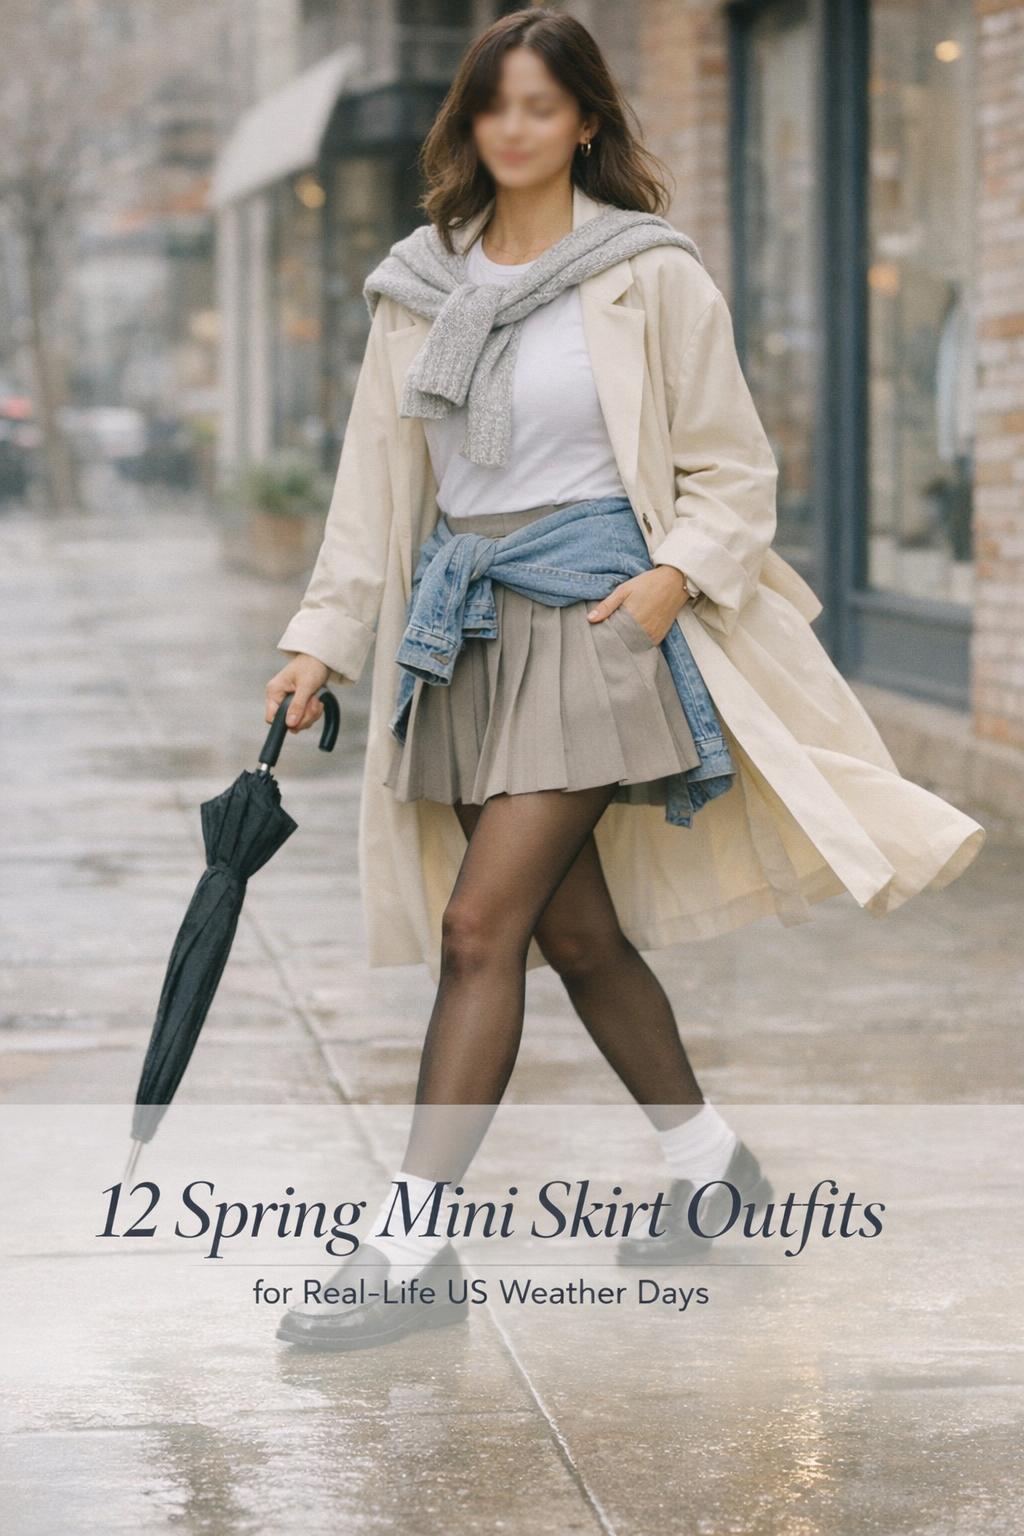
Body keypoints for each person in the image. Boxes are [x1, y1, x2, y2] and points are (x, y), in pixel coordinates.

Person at [264, 9, 984, 1351]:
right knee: (572, 933)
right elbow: (378, 489)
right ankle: (713, 1170)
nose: (518, 127)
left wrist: (675, 576)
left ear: (587, 118)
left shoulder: (648, 274)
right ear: (471, 123)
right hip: (464, 633)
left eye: (544, 105)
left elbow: (734, 467)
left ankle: (412, 1246)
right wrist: (322, 639)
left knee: (482, 928)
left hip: (596, 622)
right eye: (497, 106)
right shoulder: (417, 284)